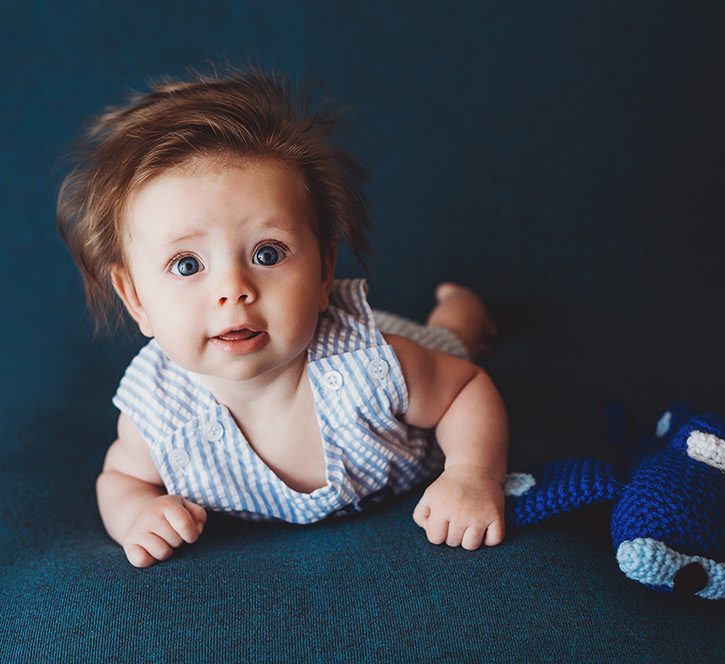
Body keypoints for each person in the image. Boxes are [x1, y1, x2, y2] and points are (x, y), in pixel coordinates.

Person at [56, 66, 508, 567]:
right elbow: (120, 479)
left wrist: (470, 474)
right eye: (187, 265)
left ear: (324, 271)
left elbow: (466, 390)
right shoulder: (159, 415)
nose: (234, 291)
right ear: (135, 297)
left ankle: (462, 308)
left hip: (396, 367)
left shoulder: (374, 368)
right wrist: (138, 513)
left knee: (450, 341)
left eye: (267, 255)